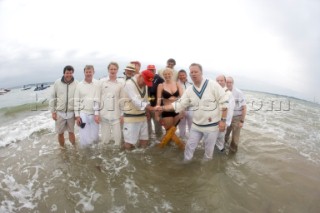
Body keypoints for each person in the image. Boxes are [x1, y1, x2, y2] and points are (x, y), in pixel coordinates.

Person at [157, 63, 228, 162]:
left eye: (196, 72)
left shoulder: (212, 84)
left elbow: (224, 102)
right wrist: (162, 108)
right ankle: (185, 166)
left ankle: (204, 173)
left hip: (211, 126)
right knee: (189, 147)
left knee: (208, 152)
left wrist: (223, 121)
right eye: (191, 72)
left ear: (201, 72)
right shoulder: (190, 90)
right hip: (196, 125)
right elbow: (180, 104)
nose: (193, 74)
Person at [122, 69, 156, 150]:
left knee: (144, 140)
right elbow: (135, 100)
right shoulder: (129, 83)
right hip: (130, 117)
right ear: (140, 76)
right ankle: (126, 159)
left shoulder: (145, 84)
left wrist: (147, 111)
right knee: (129, 142)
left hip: (142, 116)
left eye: (147, 83)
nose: (145, 84)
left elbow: (146, 99)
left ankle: (142, 159)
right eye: (145, 81)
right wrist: (150, 108)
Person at [49, 65, 78, 147]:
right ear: (64, 73)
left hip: (71, 113)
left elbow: (78, 99)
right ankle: (62, 149)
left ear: (72, 73)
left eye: (70, 73)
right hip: (60, 113)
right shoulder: (57, 83)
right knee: (60, 133)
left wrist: (77, 113)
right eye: (67, 73)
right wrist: (53, 112)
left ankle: (74, 148)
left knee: (71, 132)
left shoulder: (76, 83)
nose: (68, 75)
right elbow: (53, 97)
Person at [155, 68, 184, 149]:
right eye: (165, 74)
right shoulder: (161, 85)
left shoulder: (177, 84)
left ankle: (167, 147)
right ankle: (180, 146)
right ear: (163, 75)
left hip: (177, 109)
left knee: (172, 130)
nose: (167, 76)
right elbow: (158, 99)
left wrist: (182, 110)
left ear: (172, 74)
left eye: (169, 74)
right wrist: (157, 111)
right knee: (169, 130)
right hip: (166, 110)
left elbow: (183, 98)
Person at [98, 62, 125, 148]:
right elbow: (97, 98)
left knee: (117, 141)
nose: (113, 71)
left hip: (116, 116)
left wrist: (122, 114)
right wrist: (96, 113)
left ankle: (117, 159)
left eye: (114, 69)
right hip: (104, 114)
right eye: (111, 69)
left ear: (117, 70)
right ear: (108, 70)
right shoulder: (102, 82)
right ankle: (105, 158)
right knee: (104, 141)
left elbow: (122, 99)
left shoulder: (121, 83)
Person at [74, 65, 100, 148]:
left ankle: (95, 156)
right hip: (83, 113)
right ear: (84, 73)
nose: (88, 74)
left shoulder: (97, 83)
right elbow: (76, 100)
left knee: (95, 136)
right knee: (84, 136)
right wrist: (77, 116)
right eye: (87, 72)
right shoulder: (79, 85)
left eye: (90, 72)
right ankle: (85, 155)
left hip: (94, 114)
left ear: (93, 72)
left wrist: (96, 114)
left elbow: (97, 99)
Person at [225, 76, 247, 152]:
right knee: (224, 136)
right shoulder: (223, 91)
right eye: (226, 82)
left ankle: (232, 154)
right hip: (227, 117)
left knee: (235, 138)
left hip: (236, 118)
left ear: (232, 83)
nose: (228, 84)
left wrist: (242, 121)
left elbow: (244, 108)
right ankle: (222, 153)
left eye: (230, 82)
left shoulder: (239, 93)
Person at [215, 75, 235, 152]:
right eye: (217, 80)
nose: (219, 82)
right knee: (211, 141)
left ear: (225, 82)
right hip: (212, 121)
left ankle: (220, 159)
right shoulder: (215, 91)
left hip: (222, 123)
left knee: (220, 142)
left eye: (221, 80)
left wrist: (225, 123)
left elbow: (230, 111)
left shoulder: (229, 94)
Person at [146, 64, 164, 139]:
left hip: (156, 107)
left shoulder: (159, 79)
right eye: (149, 70)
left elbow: (164, 92)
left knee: (158, 127)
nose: (151, 71)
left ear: (155, 70)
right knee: (147, 127)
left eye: (152, 70)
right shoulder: (145, 79)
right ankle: (150, 143)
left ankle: (159, 142)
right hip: (147, 106)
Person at [177, 69, 193, 140]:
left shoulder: (191, 84)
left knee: (191, 126)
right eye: (180, 75)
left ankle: (192, 140)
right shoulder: (176, 84)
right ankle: (182, 140)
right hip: (180, 109)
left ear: (186, 75)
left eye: (183, 75)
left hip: (191, 109)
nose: (181, 76)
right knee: (181, 126)